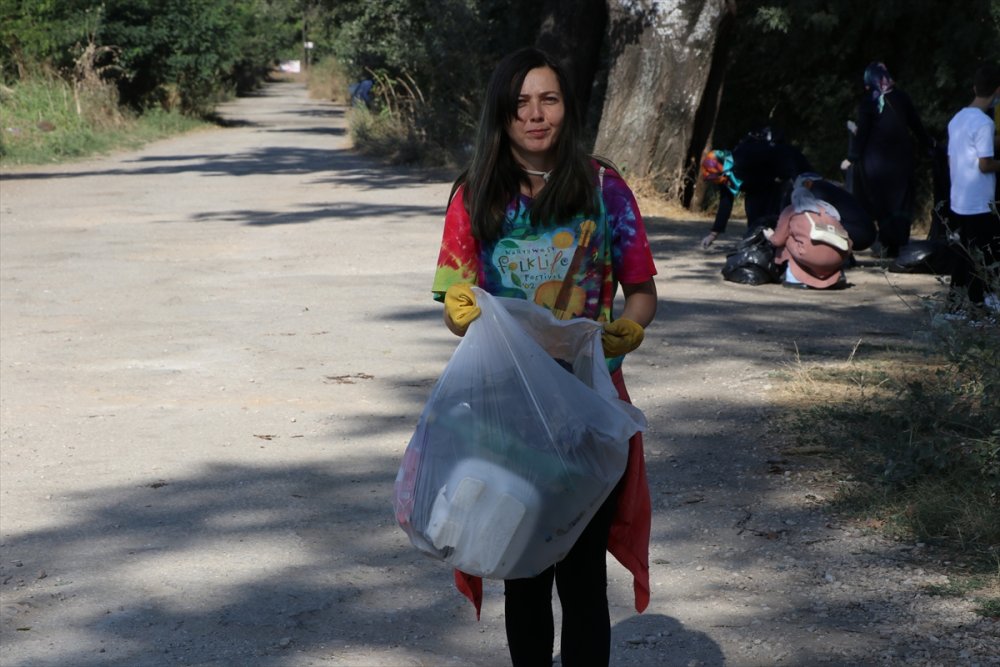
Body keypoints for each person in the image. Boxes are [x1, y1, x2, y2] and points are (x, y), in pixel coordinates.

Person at [431, 47, 657, 666]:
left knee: (583, 577)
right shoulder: (476, 194)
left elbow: (641, 292)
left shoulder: (605, 189)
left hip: (587, 409)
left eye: (549, 99)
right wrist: (457, 308)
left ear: (567, 108)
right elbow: (453, 292)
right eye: (521, 102)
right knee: (523, 573)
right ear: (502, 114)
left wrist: (626, 330)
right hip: (508, 415)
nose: (536, 115)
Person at [843, 62, 934, 257]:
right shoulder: (902, 98)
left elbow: (863, 134)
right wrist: (929, 145)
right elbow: (916, 125)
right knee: (900, 203)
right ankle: (899, 243)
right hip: (901, 161)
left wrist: (852, 158)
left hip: (875, 164)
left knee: (882, 204)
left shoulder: (869, 103)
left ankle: (887, 244)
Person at [700, 127, 813, 249]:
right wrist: (713, 234)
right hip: (757, 187)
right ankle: (760, 245)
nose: (716, 181)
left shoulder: (746, 154)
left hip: (782, 175)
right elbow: (725, 203)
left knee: (775, 216)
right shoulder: (726, 176)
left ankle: (783, 244)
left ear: (721, 167)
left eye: (714, 177)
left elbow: (779, 156)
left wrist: (793, 177)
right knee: (754, 221)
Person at [946, 63, 1000, 311]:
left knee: (963, 253)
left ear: (974, 88)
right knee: (984, 253)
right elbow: (985, 164)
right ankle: (983, 302)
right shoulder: (985, 124)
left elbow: (955, 157)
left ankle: (956, 304)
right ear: (997, 92)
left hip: (959, 197)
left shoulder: (959, 118)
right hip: (980, 200)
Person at [765, 174, 853, 289]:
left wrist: (770, 235)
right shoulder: (827, 209)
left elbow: (777, 241)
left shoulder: (791, 210)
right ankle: (837, 276)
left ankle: (794, 278)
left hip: (810, 256)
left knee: (787, 238)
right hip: (838, 257)